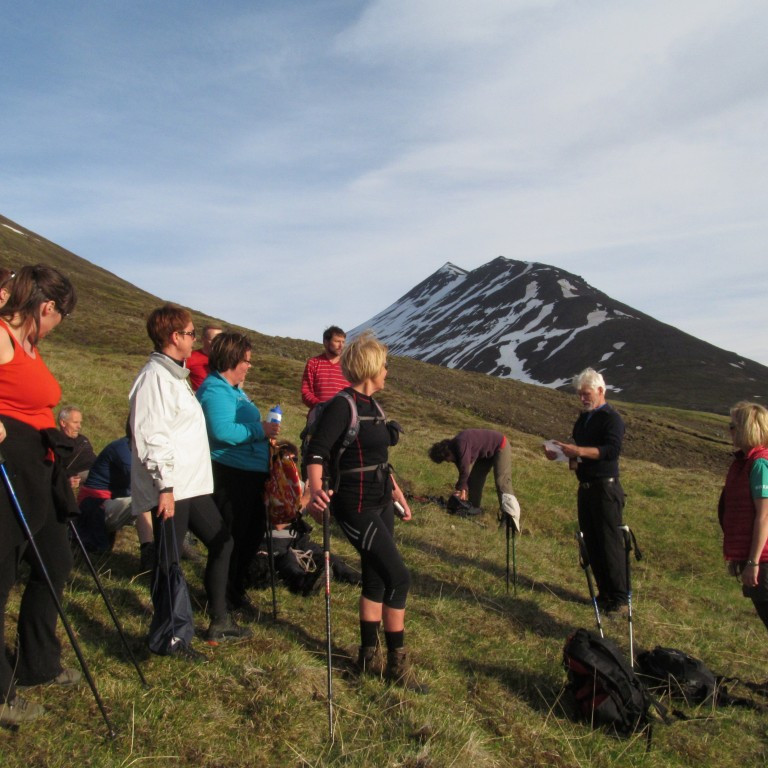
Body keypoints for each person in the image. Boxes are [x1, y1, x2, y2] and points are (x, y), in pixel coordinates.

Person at [306, 332, 425, 692]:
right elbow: (316, 452)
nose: (388, 370)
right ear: (372, 367)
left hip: (381, 500)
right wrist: (314, 492)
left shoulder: (374, 407)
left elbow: (379, 460)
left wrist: (398, 494)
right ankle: (397, 665)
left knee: (375, 578)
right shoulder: (343, 405)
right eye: (385, 364)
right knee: (399, 577)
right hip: (354, 506)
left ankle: (368, 657)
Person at [129, 304, 250, 658]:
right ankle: (171, 637)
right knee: (170, 560)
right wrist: (164, 486)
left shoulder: (175, 377)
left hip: (190, 485)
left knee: (222, 540)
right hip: (172, 486)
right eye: (190, 333)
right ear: (173, 337)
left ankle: (218, 620)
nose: (195, 340)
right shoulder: (155, 378)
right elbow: (152, 435)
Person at [0, 264, 79, 726]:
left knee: (54, 562)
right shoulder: (4, 336)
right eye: (58, 317)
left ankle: (38, 662)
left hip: (40, 470)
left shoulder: (28, 344)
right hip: (10, 465)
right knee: (1, 574)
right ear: (47, 307)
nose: (56, 326)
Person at [196, 331, 279, 615]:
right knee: (233, 535)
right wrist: (260, 430)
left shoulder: (234, 390)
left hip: (250, 472)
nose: (249, 365)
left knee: (250, 534)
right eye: (246, 360)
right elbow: (221, 431)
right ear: (232, 359)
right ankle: (223, 597)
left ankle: (235, 590)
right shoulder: (216, 389)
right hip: (232, 474)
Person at [544, 367, 627, 613]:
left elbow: (611, 451)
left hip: (605, 489)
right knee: (591, 542)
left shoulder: (612, 419)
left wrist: (578, 451)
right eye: (580, 394)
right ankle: (603, 594)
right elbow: (579, 454)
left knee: (609, 542)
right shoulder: (583, 419)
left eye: (586, 393)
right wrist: (559, 455)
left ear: (601, 390)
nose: (582, 398)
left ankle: (620, 599)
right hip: (586, 487)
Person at [73, 422, 154, 568]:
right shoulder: (123, 450)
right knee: (145, 501)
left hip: (111, 502)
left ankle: (156, 549)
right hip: (95, 505)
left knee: (150, 500)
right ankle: (148, 552)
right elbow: (138, 486)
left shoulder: (137, 449)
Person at [719, 402, 768, 633]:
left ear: (747, 429)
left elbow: (764, 517)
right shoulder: (744, 463)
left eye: (733, 426)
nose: (730, 431)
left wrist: (753, 562)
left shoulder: (759, 465)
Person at [428, 429, 521, 528]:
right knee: (474, 480)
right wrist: (462, 489)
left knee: (502, 481)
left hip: (500, 445)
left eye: (446, 460)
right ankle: (473, 509)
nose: (449, 462)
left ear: (447, 453)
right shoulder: (454, 450)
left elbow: (464, 469)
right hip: (486, 453)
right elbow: (464, 474)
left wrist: (461, 489)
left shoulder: (461, 444)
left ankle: (509, 518)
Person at [301, 325, 351, 418]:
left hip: (343, 418)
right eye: (337, 341)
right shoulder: (313, 363)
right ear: (325, 342)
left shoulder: (348, 366)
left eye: (343, 342)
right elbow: (306, 392)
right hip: (319, 417)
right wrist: (320, 405)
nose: (341, 345)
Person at [57, 405, 97, 491]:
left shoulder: (83, 439)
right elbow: (55, 468)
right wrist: (68, 477)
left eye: (80, 422)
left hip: (97, 468)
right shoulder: (57, 441)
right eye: (75, 422)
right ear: (63, 423)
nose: (79, 426)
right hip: (83, 474)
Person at [186, 325, 222, 391]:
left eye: (220, 340)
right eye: (213, 340)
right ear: (203, 339)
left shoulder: (226, 359)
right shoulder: (191, 357)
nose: (217, 343)